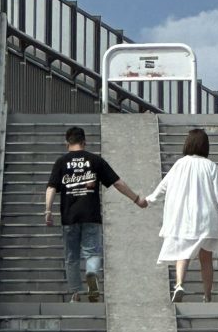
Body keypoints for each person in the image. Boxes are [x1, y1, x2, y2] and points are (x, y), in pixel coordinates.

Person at [45, 125, 147, 301]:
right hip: (91, 215)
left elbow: (51, 187)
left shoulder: (61, 162)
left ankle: (76, 293)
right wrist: (136, 199)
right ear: (84, 142)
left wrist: (48, 209)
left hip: (69, 217)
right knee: (92, 253)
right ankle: (91, 275)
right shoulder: (95, 161)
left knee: (72, 256)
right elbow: (117, 183)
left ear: (66, 143)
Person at [145, 127, 218, 302]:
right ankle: (207, 296)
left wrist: (149, 199)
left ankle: (179, 284)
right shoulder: (210, 166)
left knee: (182, 253)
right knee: (206, 258)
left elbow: (164, 185)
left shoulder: (180, 164)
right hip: (206, 219)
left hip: (184, 218)